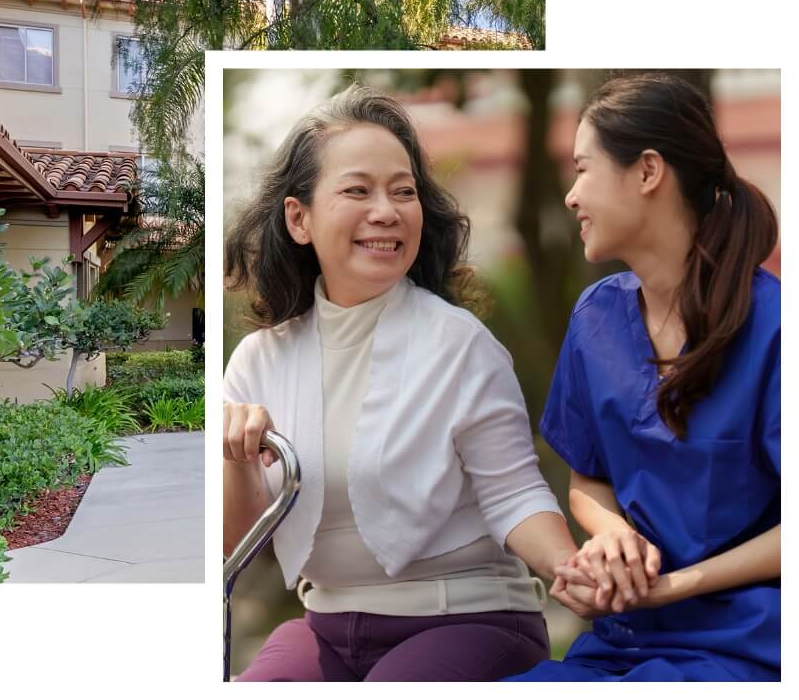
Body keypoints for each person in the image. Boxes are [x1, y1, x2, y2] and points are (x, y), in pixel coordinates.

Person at [223, 83, 587, 681]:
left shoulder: (460, 343)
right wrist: (236, 459)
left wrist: (570, 569)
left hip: (471, 621)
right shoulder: (259, 362)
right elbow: (238, 544)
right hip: (326, 627)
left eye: (403, 191)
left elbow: (513, 493)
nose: (386, 211)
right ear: (299, 218)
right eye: (357, 190)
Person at [502, 73, 780, 682]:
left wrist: (673, 586)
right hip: (622, 640)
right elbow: (587, 477)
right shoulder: (595, 316)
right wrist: (612, 539)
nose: (571, 196)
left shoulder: (775, 328)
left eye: (583, 169)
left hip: (751, 647)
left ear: (648, 171)